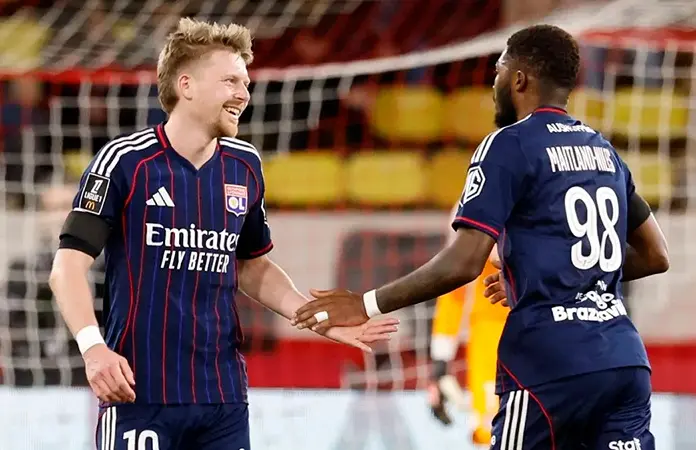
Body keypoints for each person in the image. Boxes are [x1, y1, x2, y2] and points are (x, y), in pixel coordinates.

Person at [292, 24, 670, 449]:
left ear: (519, 79)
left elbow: (463, 263)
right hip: (623, 360)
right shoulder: (603, 151)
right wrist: (548, 278)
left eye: (498, 71)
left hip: (548, 362)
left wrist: (364, 304)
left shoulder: (508, 145)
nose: (494, 84)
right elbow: (656, 255)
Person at [49, 18, 398, 450]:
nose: (244, 94)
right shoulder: (125, 162)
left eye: (245, 83)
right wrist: (93, 349)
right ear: (186, 85)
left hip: (223, 398)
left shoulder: (244, 165)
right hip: (139, 392)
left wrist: (315, 317)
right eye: (230, 81)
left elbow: (252, 266)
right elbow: (67, 268)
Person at [428, 209, 508, 446]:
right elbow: (454, 285)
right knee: (492, 430)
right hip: (492, 332)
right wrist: (440, 364)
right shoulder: (475, 201)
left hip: (549, 327)